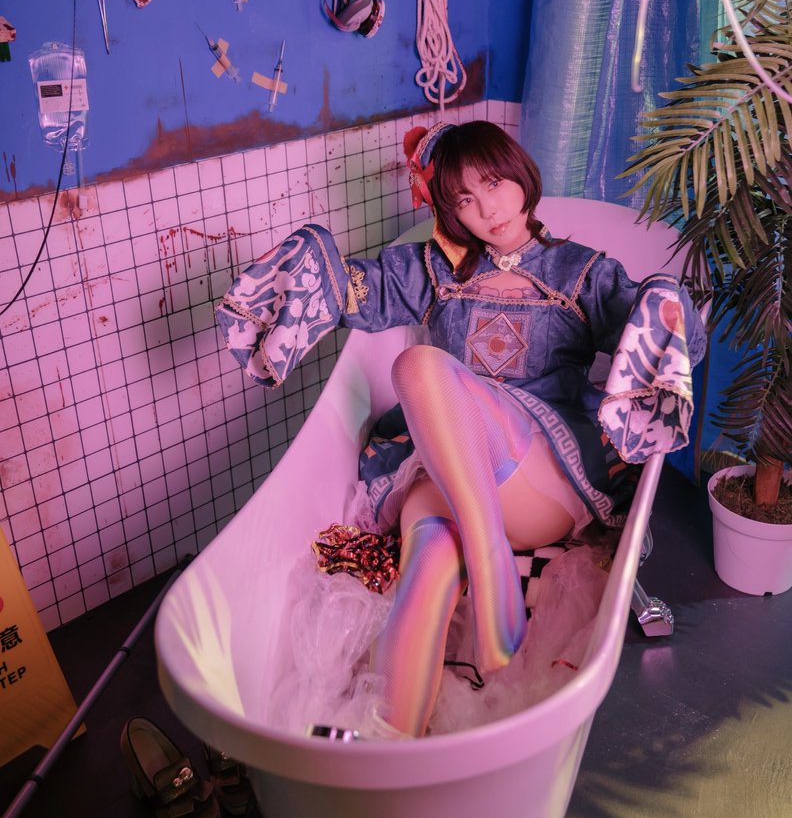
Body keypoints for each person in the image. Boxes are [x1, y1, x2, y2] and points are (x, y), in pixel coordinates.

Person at [216, 121, 705, 738]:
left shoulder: (582, 271)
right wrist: (307, 267)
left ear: (521, 174)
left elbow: (668, 336)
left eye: (494, 184)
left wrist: (665, 302)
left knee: (418, 366)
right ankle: (390, 741)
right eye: (465, 200)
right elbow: (352, 292)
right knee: (426, 558)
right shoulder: (433, 269)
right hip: (448, 473)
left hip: (537, 474)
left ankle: (492, 564)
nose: (487, 210)